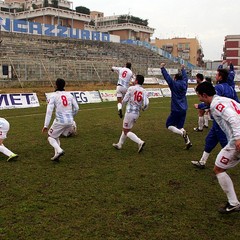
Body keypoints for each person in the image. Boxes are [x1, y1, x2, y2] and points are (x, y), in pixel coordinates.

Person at [195, 81, 240, 213]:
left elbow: (233, 118)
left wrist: (238, 138)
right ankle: (233, 203)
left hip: (236, 140)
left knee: (218, 169)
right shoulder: (224, 100)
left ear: (204, 94)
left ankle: (234, 203)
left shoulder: (216, 105)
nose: (199, 98)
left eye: (199, 96)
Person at [192, 66, 239, 169]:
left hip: (222, 122)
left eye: (217, 75)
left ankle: (222, 166)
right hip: (218, 122)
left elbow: (211, 101)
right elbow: (236, 102)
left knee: (227, 145)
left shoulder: (218, 88)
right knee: (210, 140)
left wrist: (199, 106)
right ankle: (202, 161)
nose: (215, 76)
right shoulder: (231, 88)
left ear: (220, 77)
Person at [42, 78, 79, 162]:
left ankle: (59, 150)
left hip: (60, 121)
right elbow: (77, 108)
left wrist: (45, 125)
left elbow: (49, 111)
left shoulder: (53, 96)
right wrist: (71, 116)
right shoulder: (69, 95)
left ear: (56, 85)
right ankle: (56, 155)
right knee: (56, 136)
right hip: (70, 121)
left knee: (50, 137)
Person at [112, 74, 149, 153]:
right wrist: (143, 108)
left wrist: (120, 108)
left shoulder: (131, 88)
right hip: (136, 113)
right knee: (126, 129)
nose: (133, 80)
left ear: (136, 81)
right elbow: (146, 103)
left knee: (126, 131)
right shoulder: (144, 91)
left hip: (129, 112)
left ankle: (140, 142)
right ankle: (119, 144)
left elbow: (125, 100)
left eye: (134, 79)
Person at [160, 63, 192, 149]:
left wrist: (162, 68)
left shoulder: (174, 84)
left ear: (176, 78)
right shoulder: (185, 83)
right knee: (180, 127)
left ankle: (182, 134)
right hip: (184, 108)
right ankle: (188, 142)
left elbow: (167, 78)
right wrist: (183, 69)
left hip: (176, 108)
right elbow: (185, 77)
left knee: (169, 125)